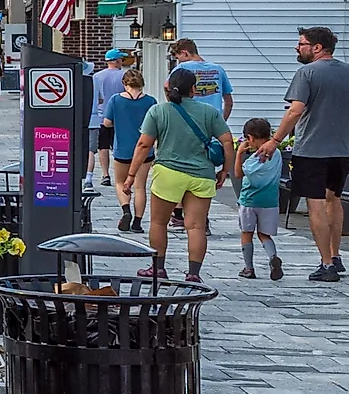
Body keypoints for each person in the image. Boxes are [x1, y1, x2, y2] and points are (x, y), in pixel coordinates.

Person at [261, 25, 349, 283]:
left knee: (316, 204)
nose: (297, 47)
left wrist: (274, 140)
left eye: (301, 43)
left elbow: (295, 110)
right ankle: (336, 255)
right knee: (334, 200)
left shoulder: (307, 73)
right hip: (344, 150)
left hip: (312, 150)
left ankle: (326, 264)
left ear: (317, 48)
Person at [128, 65, 235, 283]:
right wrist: (225, 170)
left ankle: (158, 268)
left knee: (158, 223)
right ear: (193, 90)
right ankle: (193, 273)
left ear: (168, 88)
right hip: (202, 174)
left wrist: (131, 174)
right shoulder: (210, 112)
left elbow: (143, 144)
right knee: (196, 226)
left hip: (169, 172)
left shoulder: (158, 112)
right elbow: (227, 141)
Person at [234, 116, 285, 280]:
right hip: (270, 201)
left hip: (249, 200)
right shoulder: (276, 153)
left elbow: (238, 173)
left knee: (246, 233)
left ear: (250, 138)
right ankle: (272, 257)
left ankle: (249, 268)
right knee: (264, 234)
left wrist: (240, 153)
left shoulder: (256, 158)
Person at [107, 68, 156, 233]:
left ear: (124, 83)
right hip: (145, 151)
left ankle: (126, 210)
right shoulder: (150, 101)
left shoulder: (115, 100)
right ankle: (137, 222)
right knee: (140, 187)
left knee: (120, 182)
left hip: (122, 149)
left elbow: (107, 123)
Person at [167, 36, 234, 120]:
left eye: (178, 57)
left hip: (190, 118)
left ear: (185, 53)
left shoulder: (182, 67)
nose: (178, 61)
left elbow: (166, 86)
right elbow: (229, 102)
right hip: (214, 120)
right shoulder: (218, 69)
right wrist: (222, 121)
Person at [90, 49, 130, 186]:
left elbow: (97, 98)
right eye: (121, 60)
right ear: (117, 60)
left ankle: (105, 174)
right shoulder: (125, 76)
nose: (122, 62)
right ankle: (122, 173)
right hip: (122, 117)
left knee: (103, 147)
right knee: (120, 146)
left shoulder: (97, 77)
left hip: (102, 116)